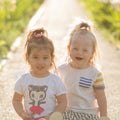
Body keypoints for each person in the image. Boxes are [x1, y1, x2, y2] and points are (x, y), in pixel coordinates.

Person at [57, 21, 110, 120]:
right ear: (69, 49)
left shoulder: (95, 74)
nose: (79, 53)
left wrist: (103, 115)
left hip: (89, 114)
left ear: (92, 53)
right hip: (67, 112)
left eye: (85, 50)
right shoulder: (62, 70)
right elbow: (55, 92)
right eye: (75, 49)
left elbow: (101, 97)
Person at [12, 28, 67, 120]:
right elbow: (16, 100)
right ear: (28, 58)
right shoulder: (24, 80)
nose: (40, 62)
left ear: (51, 59)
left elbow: (63, 102)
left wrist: (55, 115)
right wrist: (22, 113)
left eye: (45, 58)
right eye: (35, 57)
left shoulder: (55, 81)